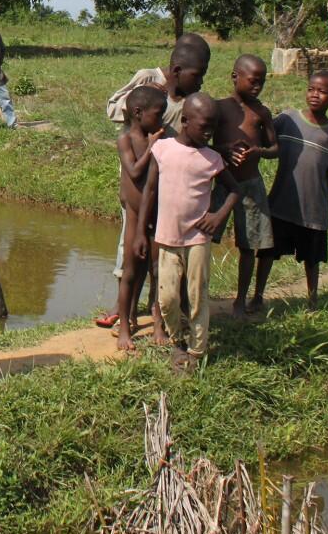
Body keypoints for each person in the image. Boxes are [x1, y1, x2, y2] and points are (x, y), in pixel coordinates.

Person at [98, 33, 210, 330]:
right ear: (176, 71)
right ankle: (124, 308)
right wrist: (146, 95)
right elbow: (113, 109)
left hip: (165, 191)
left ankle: (155, 306)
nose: (200, 83)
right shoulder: (148, 82)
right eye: (197, 76)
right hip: (137, 191)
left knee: (158, 252)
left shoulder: (189, 105)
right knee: (130, 247)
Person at [142, 92, 239, 371]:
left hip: (197, 238)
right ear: (184, 121)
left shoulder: (212, 158)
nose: (208, 133)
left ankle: (196, 351)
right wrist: (141, 230)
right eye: (204, 126)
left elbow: (234, 189)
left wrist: (218, 216)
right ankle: (176, 342)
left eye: (212, 127)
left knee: (197, 296)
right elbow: (149, 190)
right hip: (167, 237)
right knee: (168, 296)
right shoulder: (162, 149)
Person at [257, 70, 328, 310]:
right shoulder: (288, 120)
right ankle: (257, 296)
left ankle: (312, 300)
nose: (315, 95)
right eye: (311, 89)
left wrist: (322, 202)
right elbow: (265, 137)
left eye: (322, 91)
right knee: (267, 252)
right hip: (281, 204)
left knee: (312, 258)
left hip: (313, 210)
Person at [212, 54, 279, 318]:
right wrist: (224, 151)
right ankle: (195, 295)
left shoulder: (261, 112)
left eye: (261, 82)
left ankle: (241, 299)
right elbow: (201, 144)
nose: (257, 87)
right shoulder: (219, 108)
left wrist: (257, 151)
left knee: (249, 243)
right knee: (203, 239)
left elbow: (275, 149)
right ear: (235, 77)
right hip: (222, 183)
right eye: (253, 81)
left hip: (251, 184)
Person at [112, 84, 166, 351]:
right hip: (134, 217)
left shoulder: (160, 140)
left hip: (157, 217)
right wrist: (152, 147)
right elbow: (133, 171)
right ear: (137, 112)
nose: (162, 121)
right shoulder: (126, 140)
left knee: (157, 273)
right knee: (130, 273)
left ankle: (158, 325)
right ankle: (124, 328)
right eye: (158, 114)